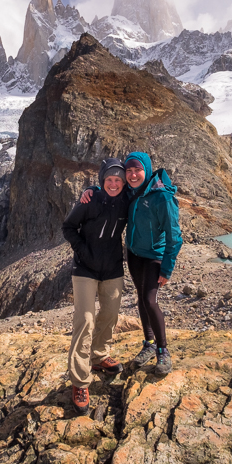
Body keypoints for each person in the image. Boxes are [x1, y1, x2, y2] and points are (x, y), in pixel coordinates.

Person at [81, 152, 182, 376]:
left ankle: (163, 351)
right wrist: (91, 189)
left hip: (154, 255)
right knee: (141, 297)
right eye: (129, 170)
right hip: (134, 254)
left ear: (146, 170)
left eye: (138, 170)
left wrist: (167, 268)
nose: (133, 174)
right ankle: (149, 342)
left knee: (149, 299)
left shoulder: (161, 197)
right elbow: (110, 188)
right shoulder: (130, 191)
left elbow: (174, 236)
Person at [61, 158, 129, 415]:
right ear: (102, 181)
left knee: (110, 314)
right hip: (85, 270)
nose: (113, 184)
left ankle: (99, 356)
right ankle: (80, 381)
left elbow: (142, 189)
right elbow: (68, 227)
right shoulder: (89, 200)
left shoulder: (126, 201)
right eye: (109, 180)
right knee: (86, 320)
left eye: (118, 180)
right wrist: (82, 251)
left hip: (112, 268)